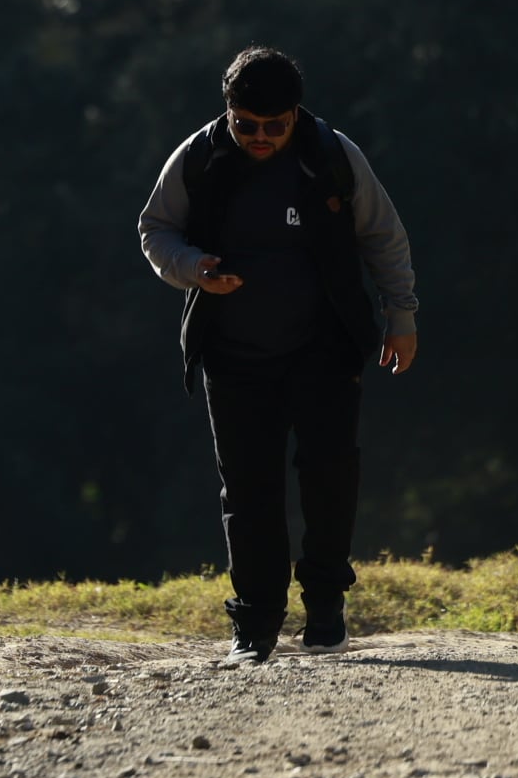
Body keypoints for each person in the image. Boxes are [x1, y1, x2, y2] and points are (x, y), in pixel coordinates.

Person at [137, 47, 418, 668]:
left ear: (296, 114)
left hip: (326, 347)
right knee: (248, 491)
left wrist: (401, 317)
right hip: (233, 356)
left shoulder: (333, 155)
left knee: (330, 478)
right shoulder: (199, 158)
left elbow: (384, 236)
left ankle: (325, 612)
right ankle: (255, 626)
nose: (259, 138)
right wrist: (194, 270)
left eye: (274, 125)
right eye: (246, 124)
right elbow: (155, 229)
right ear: (228, 110)